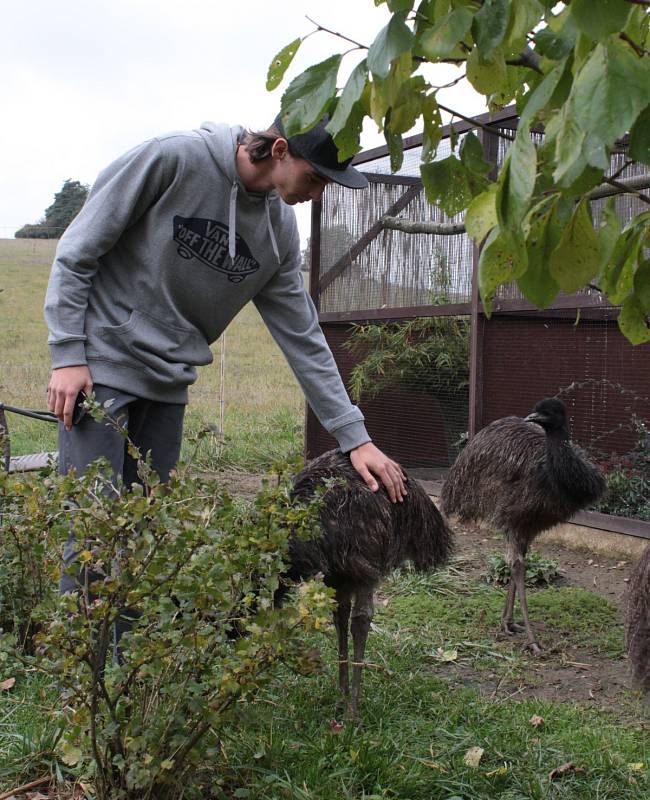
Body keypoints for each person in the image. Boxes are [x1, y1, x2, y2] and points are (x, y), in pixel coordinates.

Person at [44, 114, 408, 515]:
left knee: (145, 535)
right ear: (280, 150)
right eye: (315, 178)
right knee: (91, 527)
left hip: (169, 383)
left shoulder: (279, 234)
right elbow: (77, 252)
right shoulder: (173, 157)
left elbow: (303, 337)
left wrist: (354, 437)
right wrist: (68, 356)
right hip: (101, 369)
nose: (318, 193)